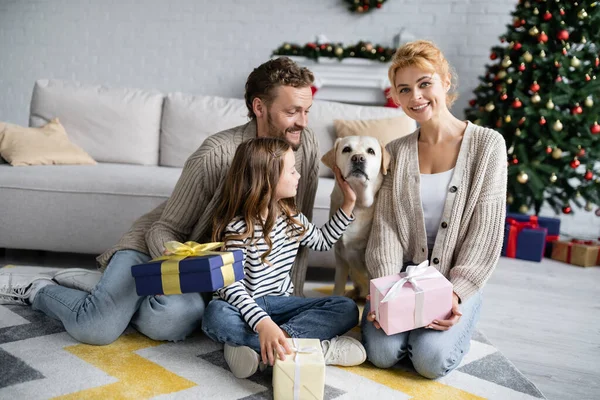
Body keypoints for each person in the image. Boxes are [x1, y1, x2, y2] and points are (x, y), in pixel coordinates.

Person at [0, 57, 320, 345]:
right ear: (259, 107)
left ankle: (109, 293)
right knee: (95, 328)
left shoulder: (304, 147)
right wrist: (179, 265)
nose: (303, 122)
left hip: (203, 270)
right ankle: (41, 290)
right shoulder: (216, 154)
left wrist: (290, 302)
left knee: (171, 321)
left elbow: (296, 232)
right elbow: (165, 228)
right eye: (292, 112)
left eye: (306, 111)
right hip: (157, 248)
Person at [361, 40, 507, 379]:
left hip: (456, 277)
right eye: (405, 89)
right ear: (396, 97)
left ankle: (465, 316)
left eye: (425, 83)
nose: (416, 97)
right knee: (382, 353)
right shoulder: (395, 152)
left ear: (445, 81)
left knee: (428, 360)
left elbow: (485, 232)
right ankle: (409, 325)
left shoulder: (488, 145)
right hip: (402, 277)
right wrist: (383, 288)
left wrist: (457, 292)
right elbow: (386, 228)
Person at [202, 138, 366, 378]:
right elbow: (230, 286)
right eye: (292, 171)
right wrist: (262, 323)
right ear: (267, 180)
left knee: (347, 307)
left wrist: (349, 202)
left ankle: (258, 348)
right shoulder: (238, 228)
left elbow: (322, 241)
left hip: (281, 305)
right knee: (215, 315)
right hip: (245, 307)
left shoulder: (292, 219)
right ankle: (314, 350)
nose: (298, 176)